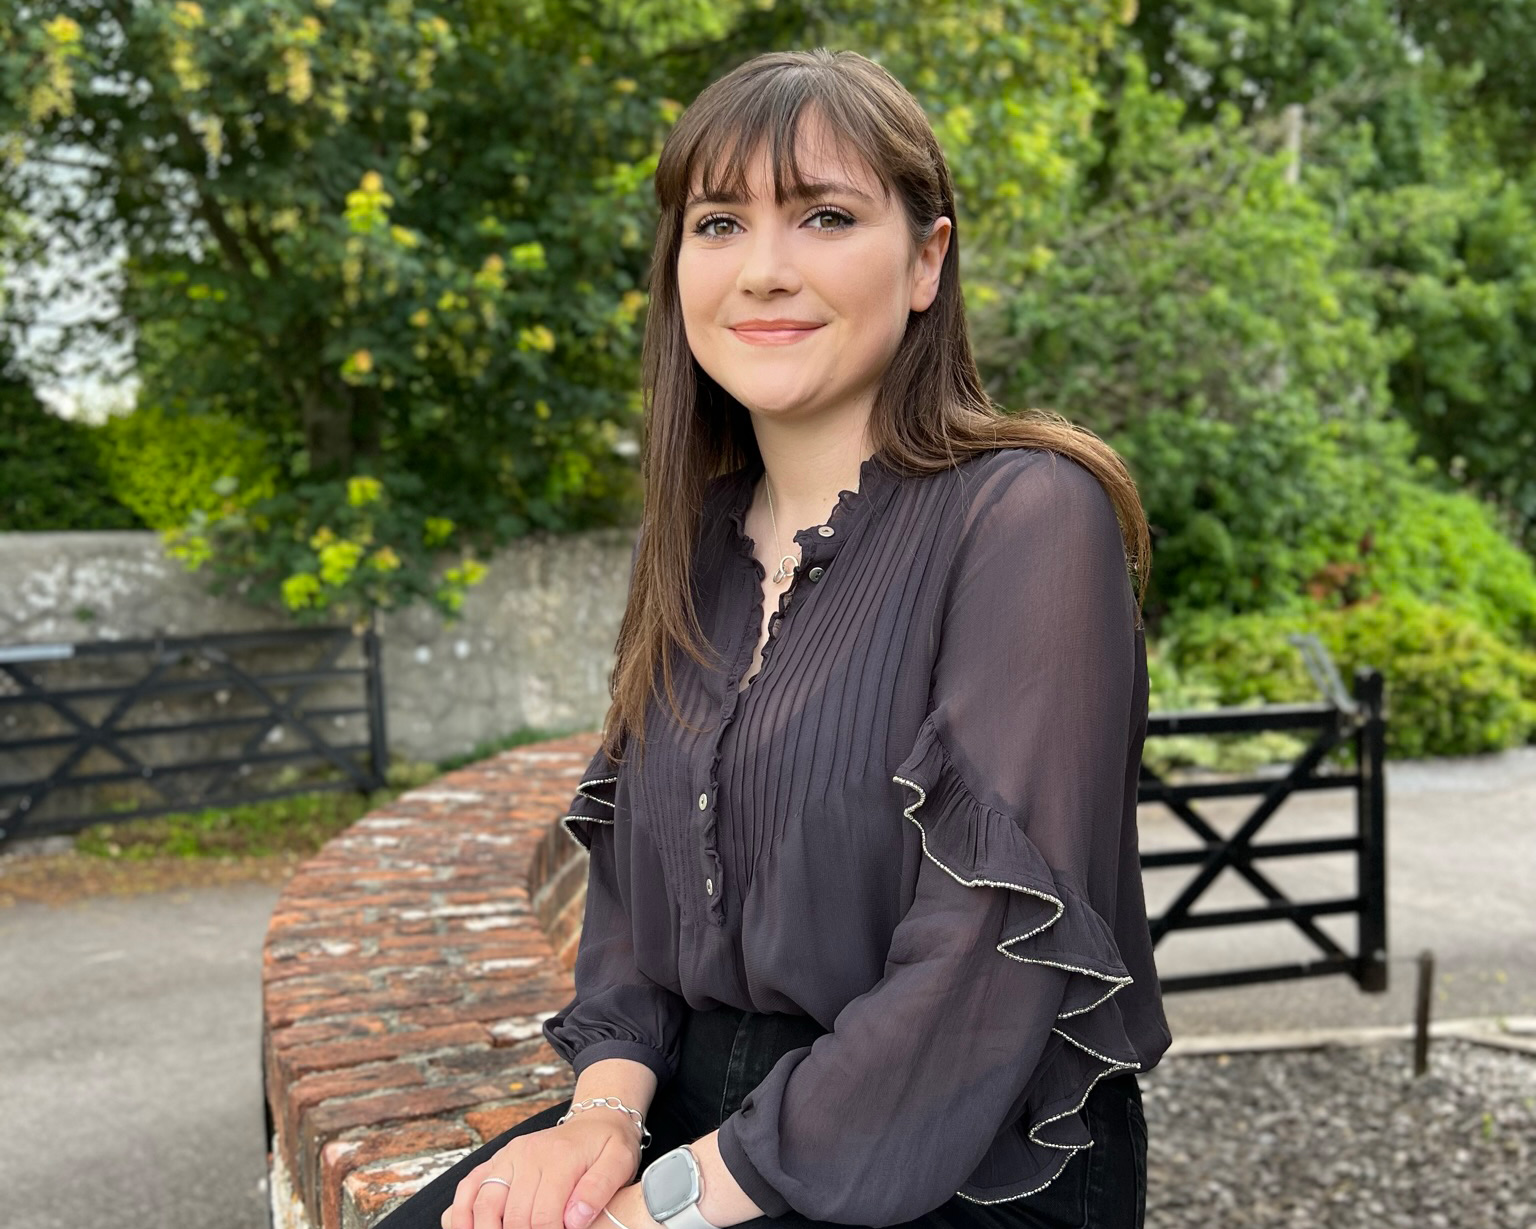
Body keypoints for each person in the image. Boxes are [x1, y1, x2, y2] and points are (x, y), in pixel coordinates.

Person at [374, 46, 1170, 1229]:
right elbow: (634, 904)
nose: (763, 269)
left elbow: (987, 955)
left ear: (926, 259)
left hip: (963, 1149)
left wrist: (665, 1206)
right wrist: (600, 1116)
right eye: (718, 223)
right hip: (702, 1108)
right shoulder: (689, 545)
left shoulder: (1028, 517)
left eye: (825, 216)